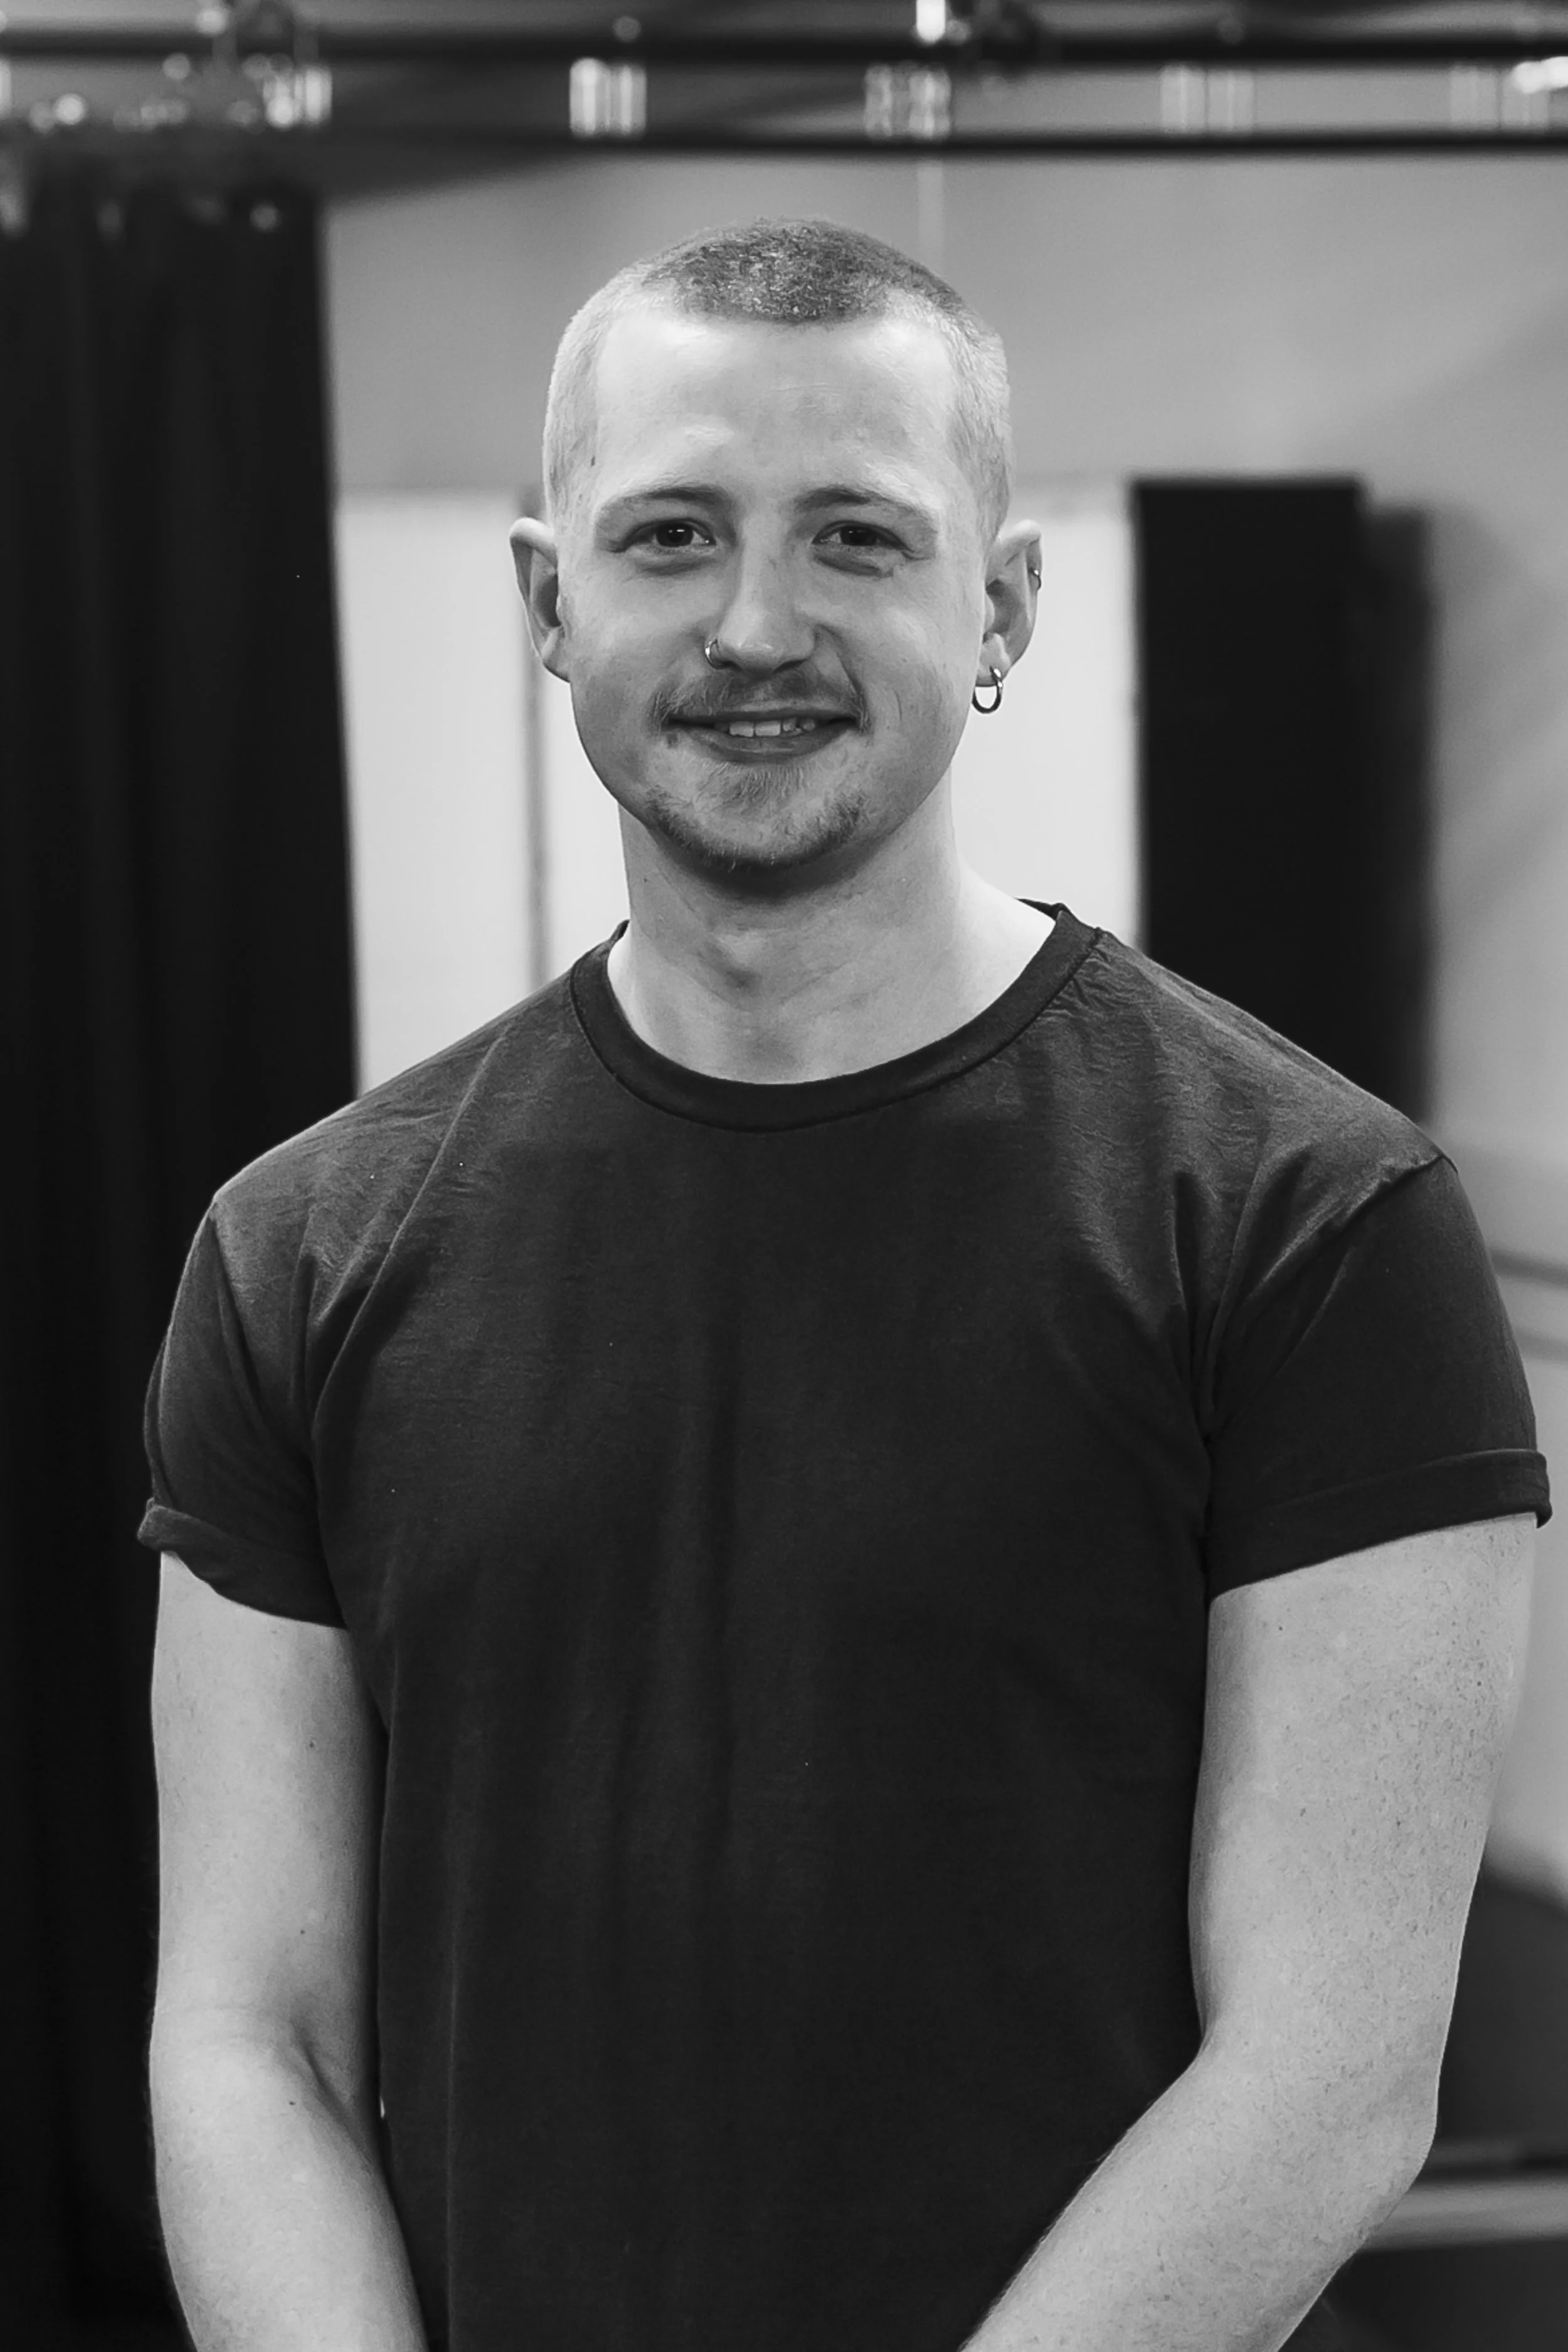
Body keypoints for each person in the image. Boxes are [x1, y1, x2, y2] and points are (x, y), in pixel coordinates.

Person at [140, 217, 1549, 2352]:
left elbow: (1327, 2075)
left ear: (996, 602)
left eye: (856, 538)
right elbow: (252, 2039)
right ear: (549, 600)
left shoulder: (1310, 1222)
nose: (756, 623)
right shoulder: (302, 1246)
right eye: (673, 535)